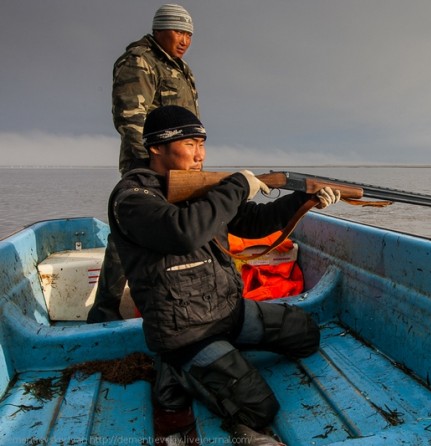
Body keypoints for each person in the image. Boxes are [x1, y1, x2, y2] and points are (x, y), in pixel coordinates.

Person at [108, 105, 341, 445]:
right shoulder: (132, 198)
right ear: (156, 147)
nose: (200, 154)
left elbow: (254, 221)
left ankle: (216, 358)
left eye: (202, 143)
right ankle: (175, 372)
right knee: (259, 409)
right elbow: (182, 232)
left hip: (228, 312)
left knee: (306, 334)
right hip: (186, 332)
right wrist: (235, 188)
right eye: (189, 144)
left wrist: (303, 200)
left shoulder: (198, 188)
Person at [88, 4, 200, 323]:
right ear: (159, 29)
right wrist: (150, 170)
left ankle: (163, 300)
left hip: (181, 167)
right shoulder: (139, 61)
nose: (184, 40)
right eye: (178, 31)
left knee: (173, 229)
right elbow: (131, 120)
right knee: (130, 231)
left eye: (189, 34)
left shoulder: (181, 68)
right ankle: (105, 308)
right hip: (146, 165)